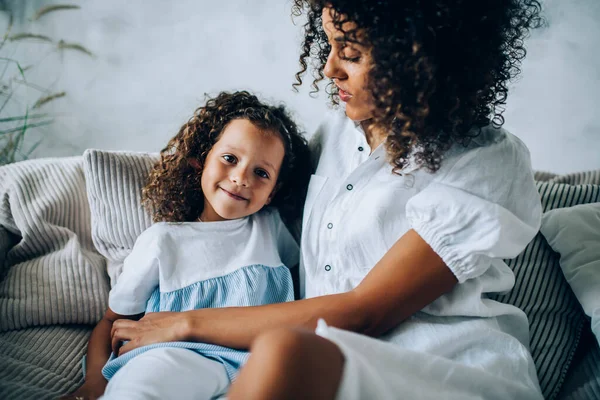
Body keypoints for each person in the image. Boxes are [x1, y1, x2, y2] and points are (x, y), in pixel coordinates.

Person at [107, 1, 546, 399]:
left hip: (443, 373)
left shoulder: (487, 161)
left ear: (419, 61)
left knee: (282, 352)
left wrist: (185, 325)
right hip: (326, 370)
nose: (329, 69)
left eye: (351, 54)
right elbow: (240, 208)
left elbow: (364, 313)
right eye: (330, 46)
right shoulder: (332, 137)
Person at [63, 91, 312, 400]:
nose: (241, 178)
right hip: (175, 355)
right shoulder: (163, 241)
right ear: (200, 162)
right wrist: (94, 382)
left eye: (261, 173)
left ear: (272, 194)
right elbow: (112, 320)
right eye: (230, 159)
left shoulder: (272, 230)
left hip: (256, 364)